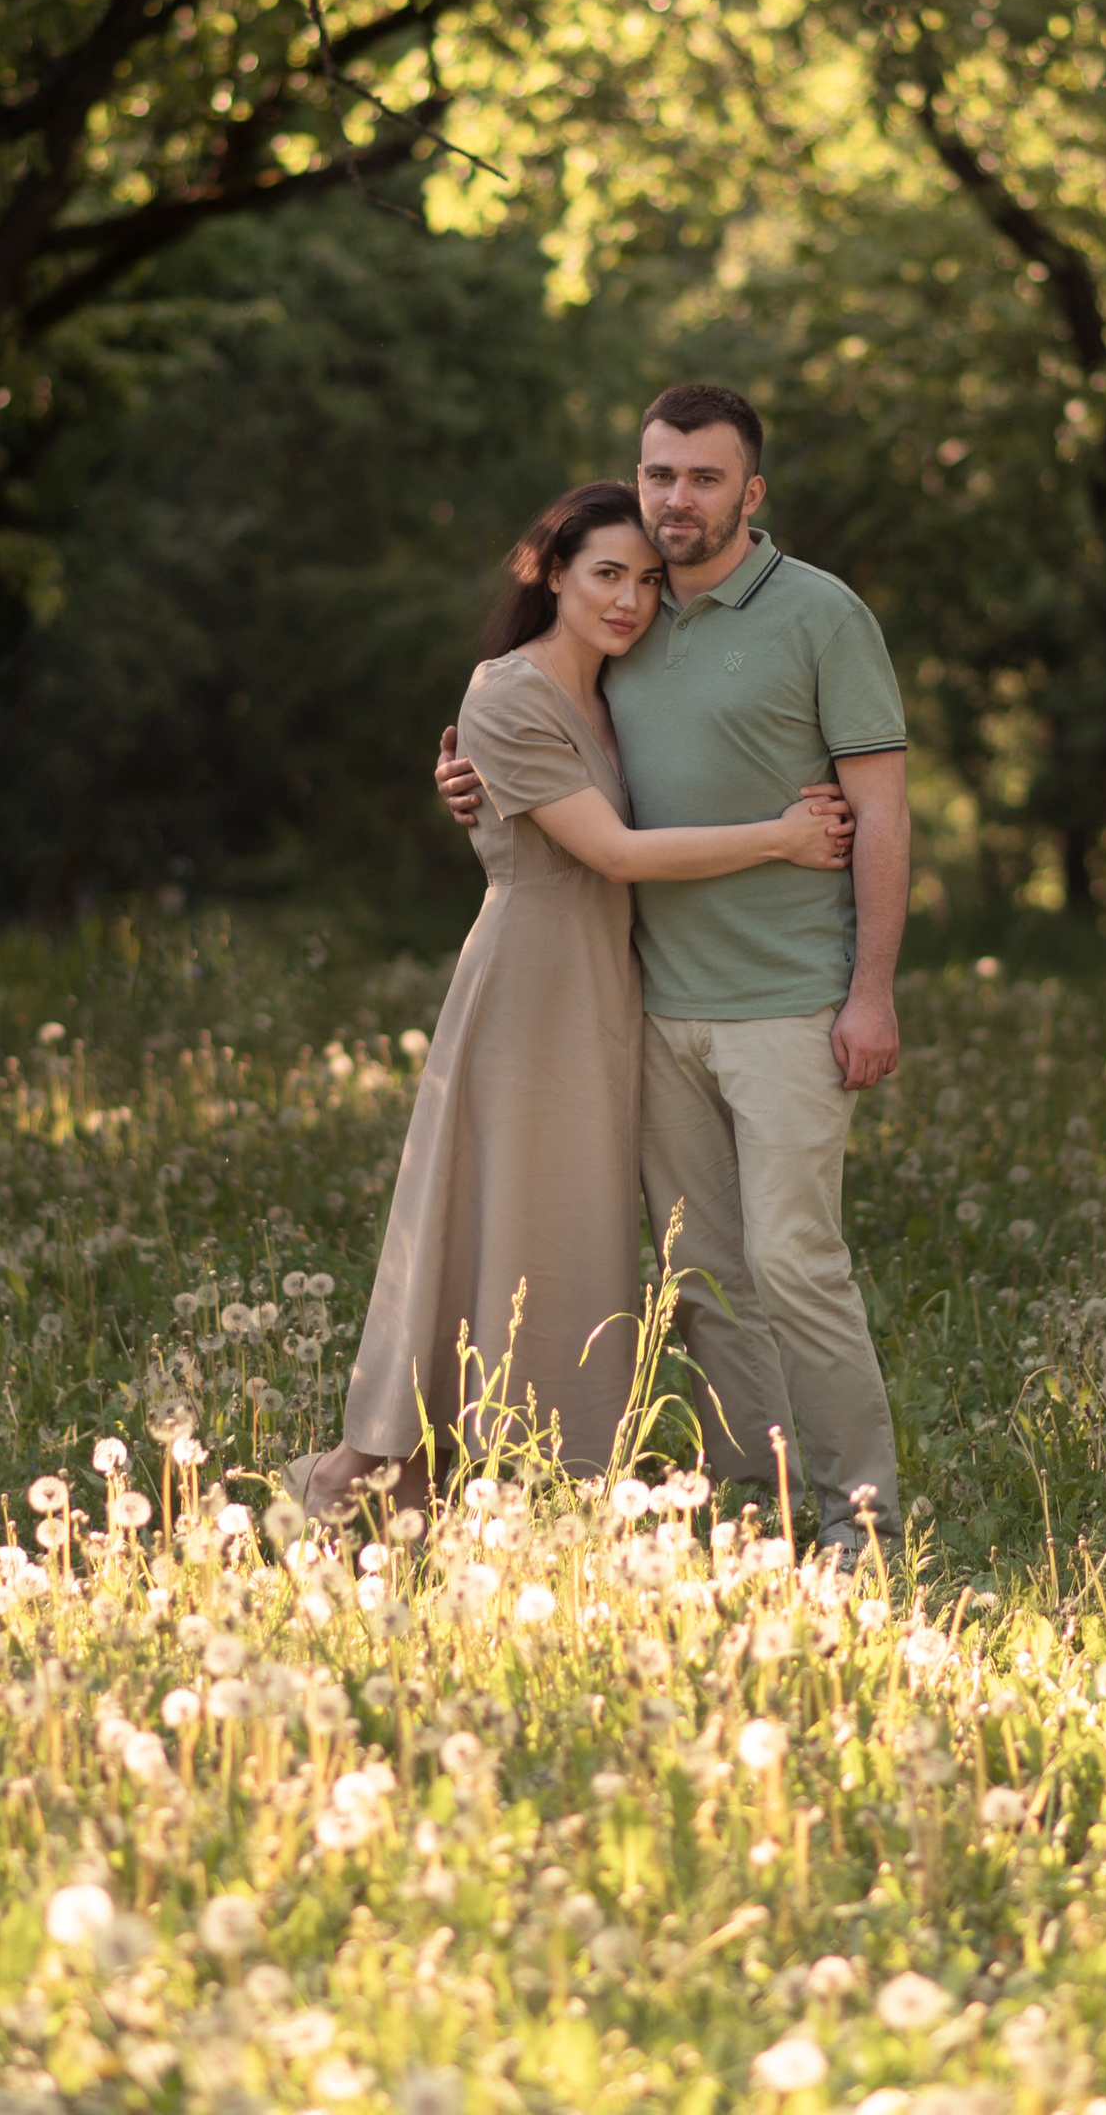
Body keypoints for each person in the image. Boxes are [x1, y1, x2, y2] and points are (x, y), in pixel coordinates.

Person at [292, 480, 854, 1518]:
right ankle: (406, 1470)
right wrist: (780, 836)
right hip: (531, 986)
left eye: (647, 580)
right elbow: (614, 850)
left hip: (610, 983)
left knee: (572, 1228)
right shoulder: (509, 691)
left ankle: (549, 1467)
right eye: (605, 574)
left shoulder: (623, 687)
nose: (630, 599)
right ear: (551, 572)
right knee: (505, 1217)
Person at [437, 384, 912, 1564]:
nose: (675, 500)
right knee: (700, 1278)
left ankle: (862, 1519)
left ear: (751, 492)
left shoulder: (821, 614)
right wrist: (468, 792)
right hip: (651, 1003)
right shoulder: (628, 618)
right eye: (659, 475)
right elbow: (553, 747)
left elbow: (883, 811)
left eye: (704, 478)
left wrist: (872, 989)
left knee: (795, 1259)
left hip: (791, 1001)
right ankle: (755, 1492)